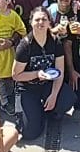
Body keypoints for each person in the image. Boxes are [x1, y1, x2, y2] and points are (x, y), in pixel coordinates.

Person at [11, 7, 71, 141]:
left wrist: (54, 95)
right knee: (30, 133)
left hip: (47, 84)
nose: (40, 23)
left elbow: (60, 71)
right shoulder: (24, 46)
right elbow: (15, 75)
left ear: (49, 22)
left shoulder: (55, 42)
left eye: (44, 19)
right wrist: (36, 74)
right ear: (31, 22)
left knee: (67, 99)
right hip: (27, 87)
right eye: (37, 19)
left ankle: (49, 109)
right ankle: (37, 112)